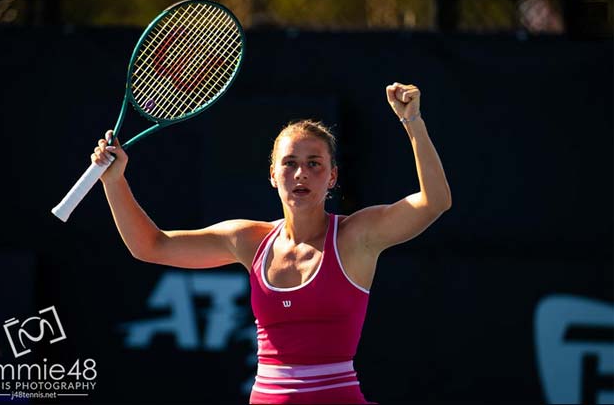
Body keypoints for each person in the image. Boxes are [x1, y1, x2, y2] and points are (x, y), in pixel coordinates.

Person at [92, 82, 451, 404]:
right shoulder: (247, 240)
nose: (301, 174)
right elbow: (150, 246)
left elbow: (435, 201)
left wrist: (413, 122)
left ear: (332, 177)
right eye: (290, 163)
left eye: (314, 164)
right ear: (272, 175)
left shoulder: (357, 236)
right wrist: (114, 181)